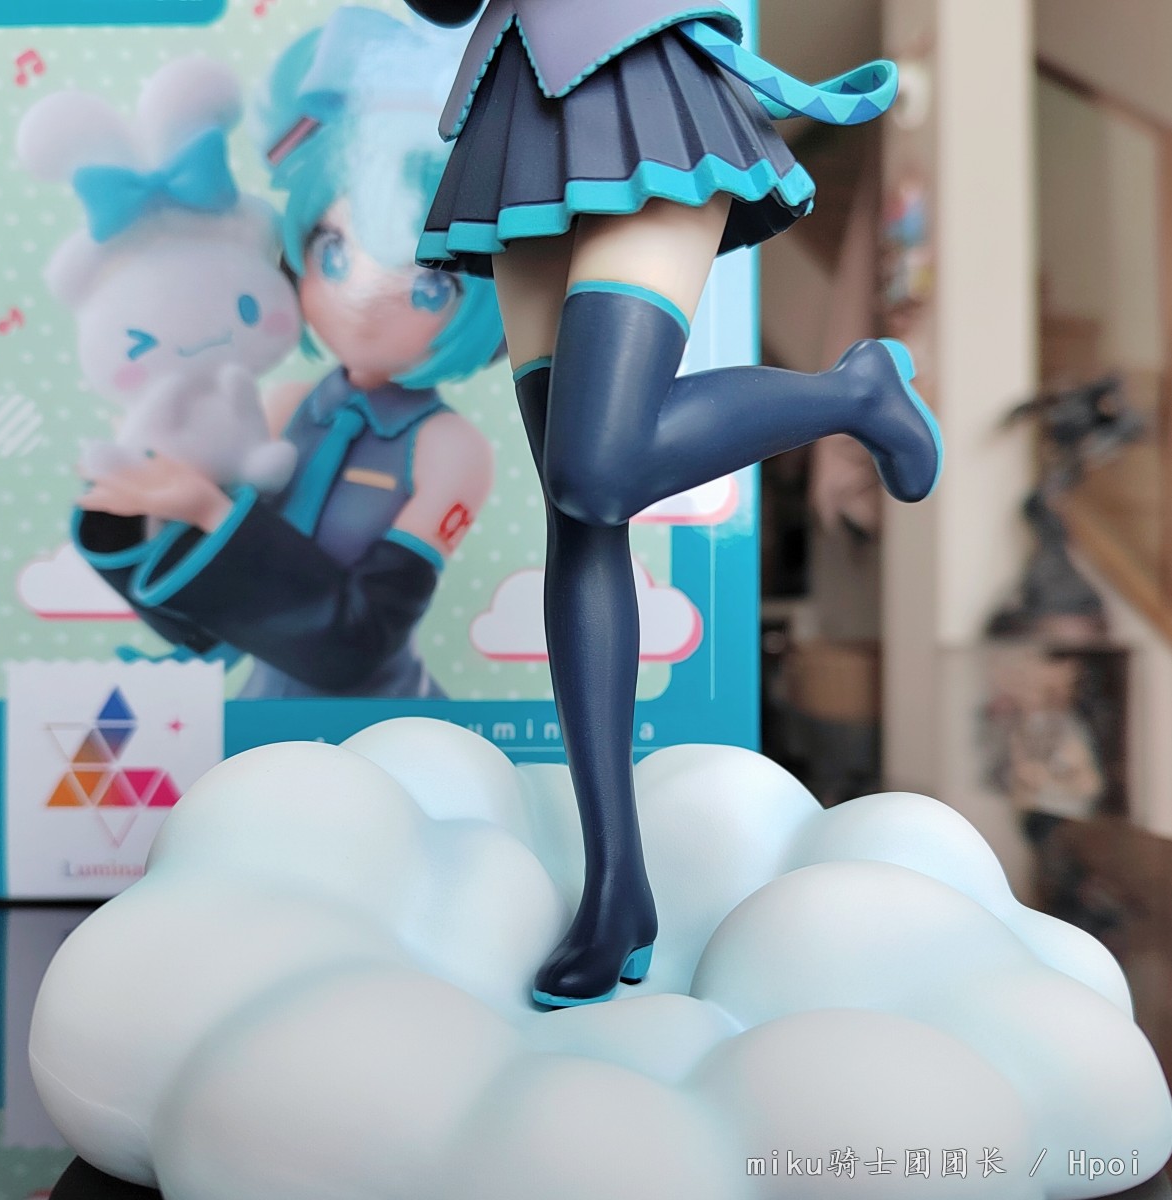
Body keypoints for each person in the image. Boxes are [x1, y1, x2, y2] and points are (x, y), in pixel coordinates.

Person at [404, 0, 945, 1006]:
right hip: (515, 108)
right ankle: (615, 891)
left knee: (595, 469)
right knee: (581, 520)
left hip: (640, 79)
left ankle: (853, 395)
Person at [73, 11, 504, 699]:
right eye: (332, 251)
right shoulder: (284, 406)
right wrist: (139, 514)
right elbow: (204, 632)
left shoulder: (448, 448)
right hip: (258, 715)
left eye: (431, 283)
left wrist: (212, 514)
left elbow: (357, 644)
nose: (365, 300)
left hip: (388, 723)